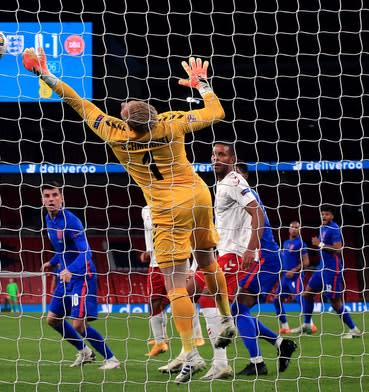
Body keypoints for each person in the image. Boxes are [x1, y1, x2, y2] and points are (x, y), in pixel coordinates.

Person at [23, 49, 235, 381]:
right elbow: (217, 112)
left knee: (175, 284)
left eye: (123, 109)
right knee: (208, 259)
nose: (121, 108)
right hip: (197, 194)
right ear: (154, 114)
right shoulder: (171, 122)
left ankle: (190, 352)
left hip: (167, 208)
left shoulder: (115, 132)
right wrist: (202, 85)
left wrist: (44, 75)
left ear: (127, 120)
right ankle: (225, 317)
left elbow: (78, 102)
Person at [211, 142, 297, 376]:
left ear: (243, 174)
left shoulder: (242, 190)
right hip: (262, 257)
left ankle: (258, 362)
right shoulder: (229, 190)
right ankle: (280, 344)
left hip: (262, 258)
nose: (235, 176)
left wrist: (250, 250)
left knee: (236, 309)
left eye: (238, 172)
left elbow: (255, 219)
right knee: (238, 309)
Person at [40, 182, 120, 370]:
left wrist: (70, 270)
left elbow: (86, 252)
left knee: (78, 324)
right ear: (42, 200)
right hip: (65, 276)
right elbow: (63, 249)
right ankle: (85, 352)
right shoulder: (48, 219)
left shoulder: (71, 221)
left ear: (62, 198)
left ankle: (112, 359)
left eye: (54, 195)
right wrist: (52, 262)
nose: (51, 199)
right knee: (52, 319)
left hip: (82, 276)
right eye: (47, 196)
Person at [139, 206, 205, 365]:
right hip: (156, 264)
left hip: (177, 262)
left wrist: (193, 267)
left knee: (180, 299)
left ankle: (196, 336)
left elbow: (193, 237)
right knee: (153, 301)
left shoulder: (177, 205)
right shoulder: (146, 210)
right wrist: (149, 251)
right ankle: (160, 342)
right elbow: (149, 232)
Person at [292, 205, 362, 338]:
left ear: (332, 216)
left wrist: (319, 244)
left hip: (332, 269)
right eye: (323, 214)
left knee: (334, 302)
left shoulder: (334, 228)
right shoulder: (322, 228)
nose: (324, 216)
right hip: (321, 268)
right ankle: (307, 325)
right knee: (307, 294)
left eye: (327, 214)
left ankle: (354, 329)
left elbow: (338, 249)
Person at [273, 220, 316, 334]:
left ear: (299, 230)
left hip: (295, 277)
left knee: (300, 298)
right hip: (285, 277)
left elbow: (306, 262)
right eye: (292, 227)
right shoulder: (286, 243)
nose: (294, 229)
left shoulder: (301, 244)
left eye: (297, 227)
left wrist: (294, 270)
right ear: (289, 229)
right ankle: (285, 326)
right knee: (277, 300)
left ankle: (310, 324)